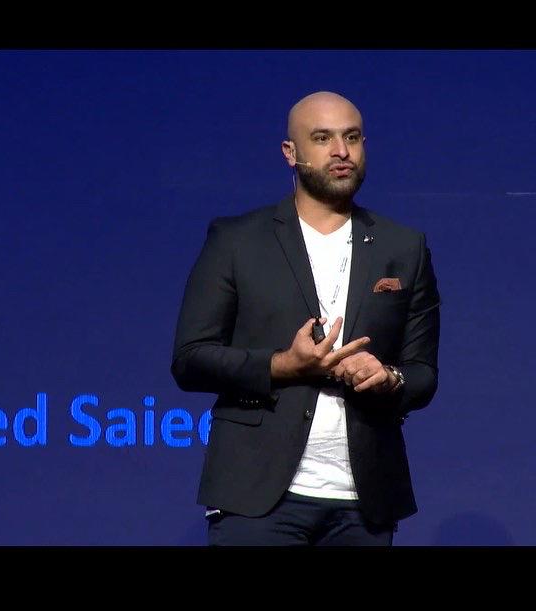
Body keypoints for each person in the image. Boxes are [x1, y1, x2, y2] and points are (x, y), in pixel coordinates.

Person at [171, 91, 440, 546]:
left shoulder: (404, 247)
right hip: (257, 497)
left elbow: (423, 374)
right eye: (322, 138)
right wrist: (283, 365)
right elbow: (190, 359)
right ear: (290, 152)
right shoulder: (236, 240)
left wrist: (388, 377)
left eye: (351, 137)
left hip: (364, 501)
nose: (341, 151)